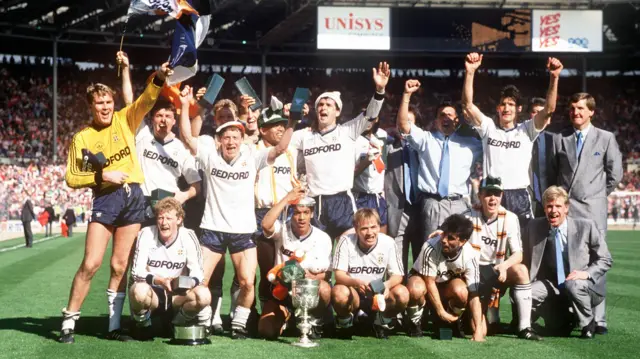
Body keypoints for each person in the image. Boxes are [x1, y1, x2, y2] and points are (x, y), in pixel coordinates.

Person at [59, 55, 171, 344]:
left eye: (108, 101)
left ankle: (113, 326)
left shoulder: (125, 119)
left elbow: (147, 99)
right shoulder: (82, 138)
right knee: (91, 263)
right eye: (99, 103)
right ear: (91, 106)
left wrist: (158, 75)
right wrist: (103, 176)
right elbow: (72, 177)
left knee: (120, 266)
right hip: (106, 199)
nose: (106, 107)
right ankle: (69, 322)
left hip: (134, 198)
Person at [179, 85, 297, 339]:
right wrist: (185, 106)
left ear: (242, 139)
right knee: (200, 280)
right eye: (226, 137)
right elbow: (188, 137)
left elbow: (279, 148)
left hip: (243, 231)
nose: (231, 141)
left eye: (235, 136)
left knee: (247, 281)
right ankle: (202, 320)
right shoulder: (210, 154)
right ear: (219, 140)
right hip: (212, 229)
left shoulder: (251, 156)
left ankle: (238, 324)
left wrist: (292, 122)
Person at [547, 93, 623, 334]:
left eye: (580, 108)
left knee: (596, 263)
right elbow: (552, 174)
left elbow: (616, 174)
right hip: (568, 212)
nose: (575, 112)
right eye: (572, 108)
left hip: (593, 210)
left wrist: (596, 195)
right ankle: (573, 315)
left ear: (592, 111)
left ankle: (599, 320)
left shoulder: (606, 138)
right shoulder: (560, 138)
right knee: (568, 261)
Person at [462, 52, 563, 229]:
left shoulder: (526, 129)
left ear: (518, 109)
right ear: (498, 108)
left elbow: (549, 109)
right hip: (493, 194)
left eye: (510, 104)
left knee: (523, 249)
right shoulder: (488, 128)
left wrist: (554, 77)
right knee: (491, 250)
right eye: (503, 104)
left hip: (519, 195)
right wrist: (470, 72)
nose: (506, 108)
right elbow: (468, 105)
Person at [291, 62, 389, 240]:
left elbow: (370, 115)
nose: (323, 107)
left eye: (329, 104)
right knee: (319, 259)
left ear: (337, 111)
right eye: (320, 104)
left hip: (342, 202)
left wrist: (380, 90)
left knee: (348, 253)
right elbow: (280, 142)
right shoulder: (304, 136)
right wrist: (289, 118)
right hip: (316, 202)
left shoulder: (347, 131)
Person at [397, 79, 483, 240]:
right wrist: (407, 95)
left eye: (450, 115)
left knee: (458, 252)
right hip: (432, 203)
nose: (446, 118)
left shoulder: (471, 144)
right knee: (431, 249)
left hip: (459, 204)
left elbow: (489, 139)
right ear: (436, 121)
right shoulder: (425, 139)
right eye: (441, 115)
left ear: (457, 120)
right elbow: (403, 125)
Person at [523, 186, 612, 339]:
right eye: (549, 206)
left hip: (583, 285)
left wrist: (586, 274)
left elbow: (605, 259)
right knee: (526, 292)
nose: (553, 210)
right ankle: (556, 320)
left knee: (573, 283)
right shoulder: (535, 226)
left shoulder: (586, 226)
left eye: (558, 206)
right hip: (553, 285)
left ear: (566, 208)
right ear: (544, 208)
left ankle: (587, 323)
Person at [467, 177, 541, 340]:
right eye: (488, 194)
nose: (493, 198)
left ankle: (524, 327)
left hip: (498, 269)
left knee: (521, 270)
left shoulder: (510, 218)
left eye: (497, 194)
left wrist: (504, 266)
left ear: (502, 196)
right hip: (474, 273)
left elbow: (518, 254)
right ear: (480, 195)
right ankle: (484, 315)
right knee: (482, 328)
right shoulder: (469, 216)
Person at [129, 198, 211, 340]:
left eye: (168, 218)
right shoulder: (146, 233)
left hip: (176, 295)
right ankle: (143, 325)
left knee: (204, 295)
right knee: (138, 291)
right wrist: (160, 280)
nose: (163, 222)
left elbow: (198, 273)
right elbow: (136, 272)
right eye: (160, 217)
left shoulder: (188, 235)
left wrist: (183, 282)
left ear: (179, 220)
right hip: (152, 294)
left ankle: (176, 324)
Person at [258, 188, 332, 340]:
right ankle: (289, 318)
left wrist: (311, 277)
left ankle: (314, 321)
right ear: (291, 213)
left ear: (312, 214)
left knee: (324, 289)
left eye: (306, 212)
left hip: (308, 290)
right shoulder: (282, 230)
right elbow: (266, 224)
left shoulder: (323, 237)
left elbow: (328, 273)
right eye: (297, 212)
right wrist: (286, 199)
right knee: (266, 330)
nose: (301, 217)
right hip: (283, 290)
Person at [253, 97, 300, 319]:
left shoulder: (292, 152)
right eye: (275, 125)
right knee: (266, 269)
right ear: (262, 130)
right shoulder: (252, 151)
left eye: (283, 125)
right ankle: (265, 311)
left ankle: (293, 310)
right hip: (264, 213)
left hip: (289, 214)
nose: (281, 128)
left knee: (290, 266)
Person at [331, 208, 408, 339]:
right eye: (364, 228)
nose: (370, 233)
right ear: (356, 229)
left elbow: (398, 275)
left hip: (377, 295)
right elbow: (339, 275)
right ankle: (346, 323)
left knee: (402, 293)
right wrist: (356, 282)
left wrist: (386, 285)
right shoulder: (345, 241)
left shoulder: (388, 242)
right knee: (339, 292)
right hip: (354, 293)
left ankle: (381, 322)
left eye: (374, 227)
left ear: (379, 227)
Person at [406, 214, 484, 341]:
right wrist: (441, 312)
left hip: (445, 289)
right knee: (416, 288)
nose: (444, 240)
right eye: (444, 234)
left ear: (463, 242)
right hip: (425, 285)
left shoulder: (470, 255)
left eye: (451, 238)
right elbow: (429, 282)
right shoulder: (430, 247)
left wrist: (478, 331)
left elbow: (474, 295)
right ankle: (414, 322)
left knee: (462, 291)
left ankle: (452, 321)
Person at [135, 97, 202, 226]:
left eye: (168, 116)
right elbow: (131, 102)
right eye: (159, 115)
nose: (163, 120)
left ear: (174, 121)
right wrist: (126, 75)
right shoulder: (142, 136)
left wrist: (184, 196)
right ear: (152, 119)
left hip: (168, 205)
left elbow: (196, 186)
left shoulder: (181, 149)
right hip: (141, 202)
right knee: (139, 244)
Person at [385, 104, 423, 272]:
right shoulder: (387, 148)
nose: (404, 125)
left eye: (409, 121)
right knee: (397, 269)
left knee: (420, 266)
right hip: (396, 211)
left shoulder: (425, 149)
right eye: (401, 121)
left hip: (421, 210)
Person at [353, 115, 388, 234]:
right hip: (360, 197)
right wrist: (365, 162)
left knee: (381, 240)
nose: (368, 121)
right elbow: (347, 175)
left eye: (372, 117)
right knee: (361, 239)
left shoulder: (379, 139)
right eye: (364, 116)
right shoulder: (352, 142)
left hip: (378, 197)